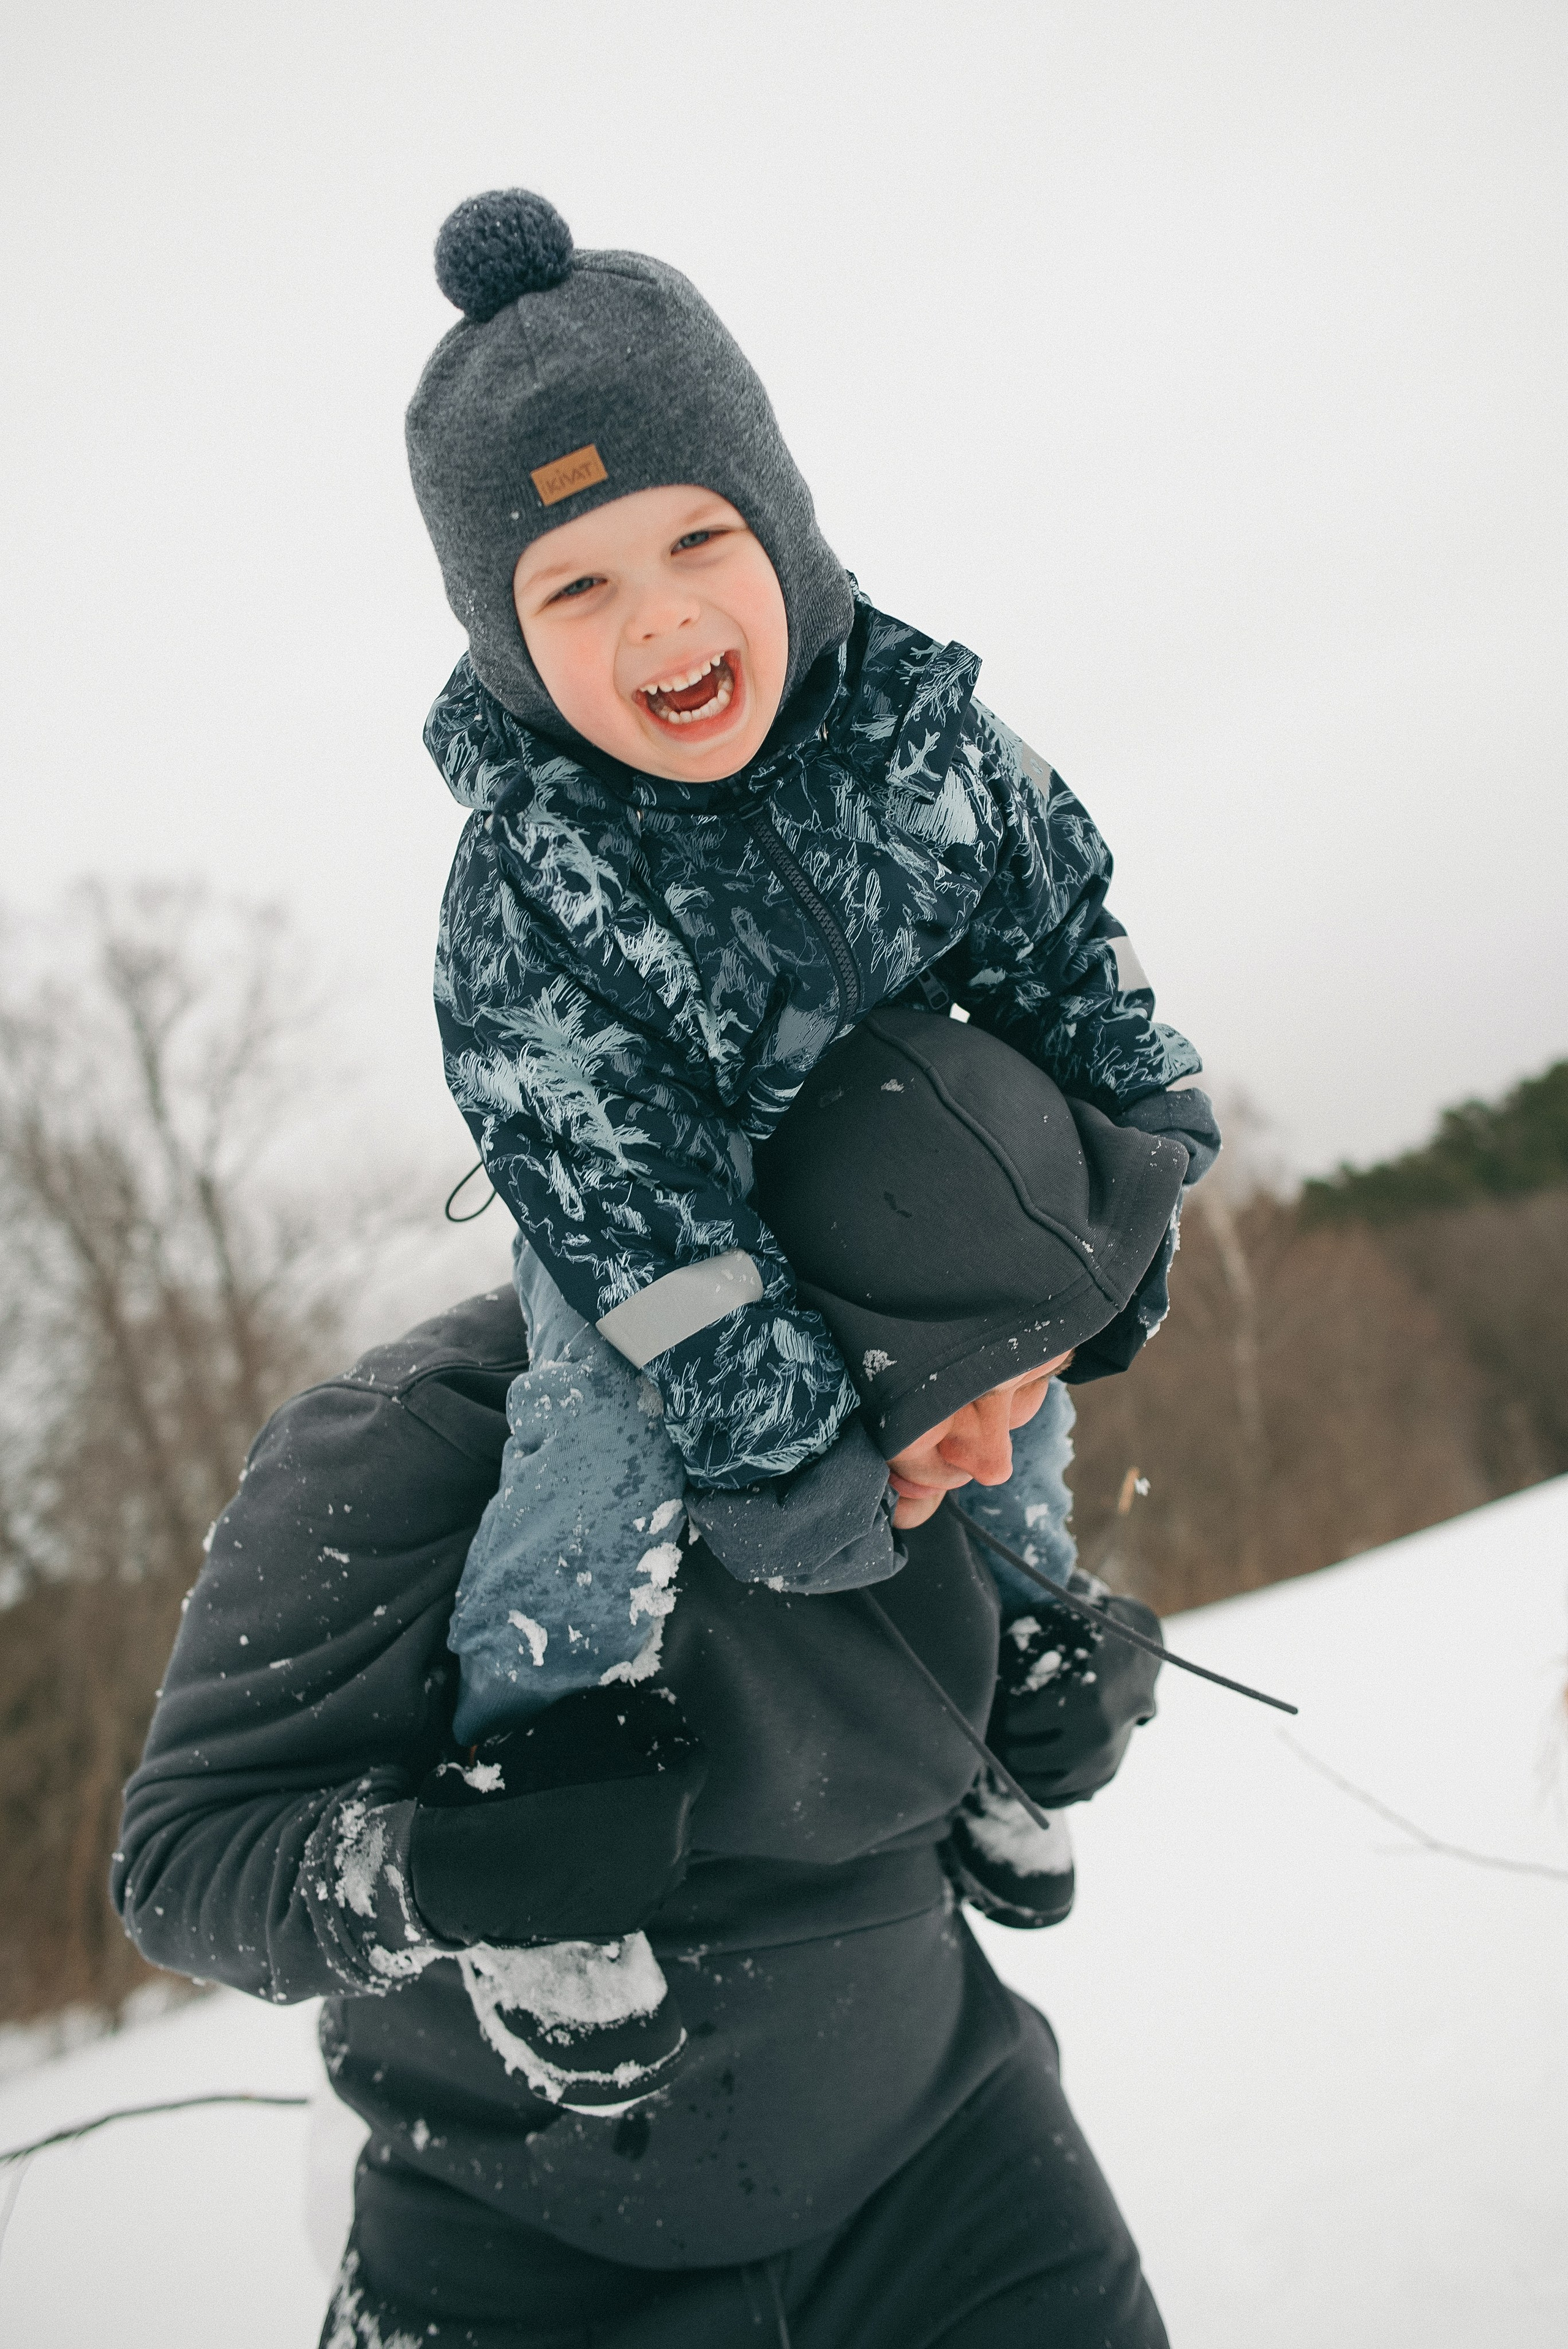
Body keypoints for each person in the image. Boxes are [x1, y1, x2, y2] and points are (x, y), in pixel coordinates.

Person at [405, 187, 1220, 2064]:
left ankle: (1016, 1652)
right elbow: (617, 1186)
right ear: (509, 639)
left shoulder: (916, 732)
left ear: (781, 525)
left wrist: (1133, 1151)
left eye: (698, 537)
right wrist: (780, 1440)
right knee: (601, 1420)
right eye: (576, 589)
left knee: (1002, 1321)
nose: (661, 613)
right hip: (664, 1223)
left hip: (901, 1156)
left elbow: (1061, 932)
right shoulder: (539, 886)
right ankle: (549, 1770)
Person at [115, 1008, 1188, 2347]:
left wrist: (1072, 1670)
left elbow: (1005, 1537)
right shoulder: (407, 1443)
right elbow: (179, 1865)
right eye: (961, 1398)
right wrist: (433, 1871)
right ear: (803, 1322)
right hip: (519, 2258)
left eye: (1032, 1388)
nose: (992, 1454)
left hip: (949, 2170)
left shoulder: (954, 1411)